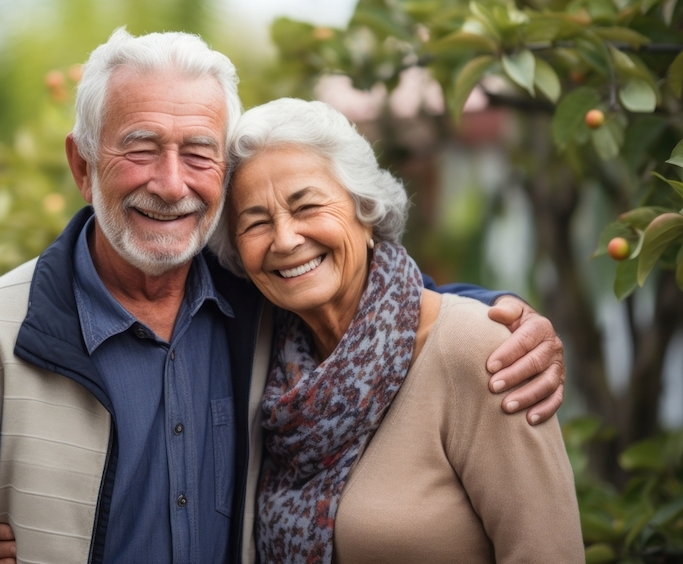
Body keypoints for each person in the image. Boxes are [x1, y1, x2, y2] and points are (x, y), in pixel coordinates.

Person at [0, 29, 566, 564]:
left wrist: (502, 312)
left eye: (200, 152)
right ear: (83, 166)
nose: (172, 183)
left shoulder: (258, 306)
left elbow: (375, 305)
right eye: (140, 147)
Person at [208, 97, 583, 563]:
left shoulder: (481, 352)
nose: (285, 240)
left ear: (366, 211)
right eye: (256, 222)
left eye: (307, 207)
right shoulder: (270, 368)